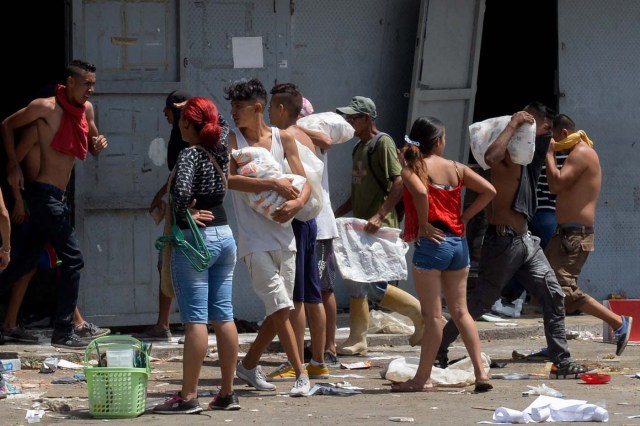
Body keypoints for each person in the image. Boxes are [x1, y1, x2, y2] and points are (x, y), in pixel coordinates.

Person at [434, 102, 591, 379]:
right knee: (479, 303)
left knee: (554, 295)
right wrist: (514, 124)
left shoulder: (530, 159)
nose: (543, 136)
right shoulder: (506, 155)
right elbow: (491, 157)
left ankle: (561, 363)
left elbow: (554, 141)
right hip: (503, 242)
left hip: (526, 242)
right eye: (540, 128)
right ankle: (438, 349)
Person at [0, 60, 108, 348]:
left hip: (57, 197)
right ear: (70, 82)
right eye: (87, 83)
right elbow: (7, 125)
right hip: (42, 195)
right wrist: (13, 164)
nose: (91, 90)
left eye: (93, 84)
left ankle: (66, 327)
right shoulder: (45, 108)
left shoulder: (86, 110)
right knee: (73, 260)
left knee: (23, 263)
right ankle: (64, 330)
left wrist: (97, 146)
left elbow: (92, 139)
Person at [391, 117, 496, 393]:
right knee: (461, 312)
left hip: (432, 244)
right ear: (437, 141)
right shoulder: (456, 168)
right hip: (458, 243)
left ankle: (422, 378)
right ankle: (480, 373)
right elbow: (489, 190)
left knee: (433, 316)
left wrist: (424, 223)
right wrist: (466, 216)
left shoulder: (413, 169)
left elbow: (422, 192)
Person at [152, 96, 240, 413]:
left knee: (195, 321)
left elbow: (179, 194)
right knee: (224, 316)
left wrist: (184, 208)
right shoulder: (220, 149)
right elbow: (218, 124)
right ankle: (227, 393)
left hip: (196, 240)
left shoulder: (190, 154)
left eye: (181, 120)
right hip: (225, 236)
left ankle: (188, 396)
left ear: (187, 124)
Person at [225, 78, 311, 396]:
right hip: (253, 240)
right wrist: (273, 185)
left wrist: (297, 204)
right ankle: (302, 374)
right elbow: (229, 180)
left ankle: (247, 366)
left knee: (282, 310)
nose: (232, 112)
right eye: (232, 106)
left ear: (257, 108)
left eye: (238, 107)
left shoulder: (283, 138)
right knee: (278, 306)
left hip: (284, 237)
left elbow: (304, 181)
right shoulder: (232, 141)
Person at [333, 96, 423, 356]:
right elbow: (358, 189)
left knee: (372, 284)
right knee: (356, 281)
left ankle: (420, 314)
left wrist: (381, 215)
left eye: (354, 118)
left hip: (377, 227)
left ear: (368, 118)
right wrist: (337, 212)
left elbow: (398, 182)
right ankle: (358, 338)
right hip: (361, 227)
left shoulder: (381, 143)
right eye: (348, 118)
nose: (349, 123)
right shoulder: (358, 147)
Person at [545, 113, 632, 356]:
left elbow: (556, 184)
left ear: (562, 134)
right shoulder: (576, 153)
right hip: (563, 234)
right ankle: (554, 346)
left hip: (574, 236)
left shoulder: (581, 153)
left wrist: (549, 154)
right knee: (547, 289)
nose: (552, 142)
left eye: (552, 137)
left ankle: (618, 322)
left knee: (564, 289)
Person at [265, 83, 328, 381]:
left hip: (297, 220)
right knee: (313, 293)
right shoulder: (305, 135)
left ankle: (297, 361)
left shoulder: (287, 137)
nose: (266, 113)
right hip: (311, 219)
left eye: (269, 107)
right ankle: (318, 359)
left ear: (281, 109)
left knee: (297, 296)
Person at [142, 89, 192, 341]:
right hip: (177, 209)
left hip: (188, 216)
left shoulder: (193, 136)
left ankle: (194, 325)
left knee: (177, 264)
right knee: (166, 264)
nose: (164, 112)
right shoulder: (178, 133)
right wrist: (161, 193)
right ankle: (163, 324)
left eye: (168, 108)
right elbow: (176, 174)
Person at [297, 97, 341, 365]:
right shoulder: (291, 138)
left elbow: (327, 142)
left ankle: (330, 347)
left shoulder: (311, 137)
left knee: (323, 289)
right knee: (305, 292)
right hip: (303, 222)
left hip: (321, 225)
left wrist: (297, 128)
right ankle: (314, 346)